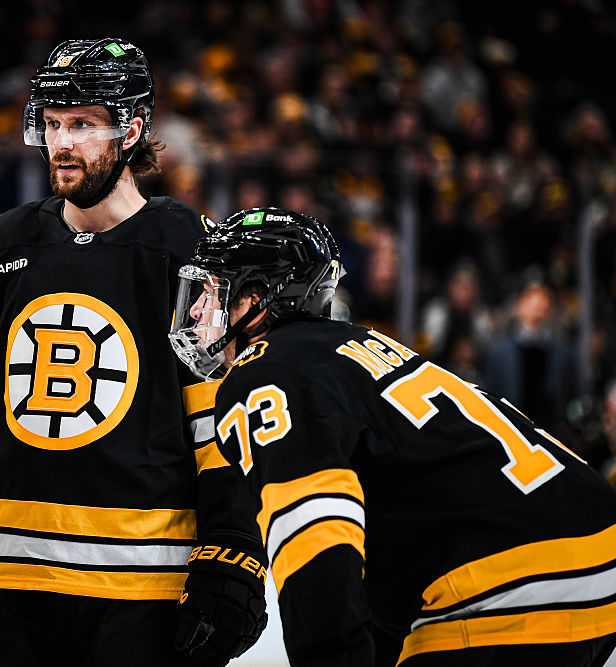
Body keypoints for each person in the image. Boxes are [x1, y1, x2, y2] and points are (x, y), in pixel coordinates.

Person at [0, 38, 267, 666]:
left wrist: (232, 546)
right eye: (54, 124)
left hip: (139, 594)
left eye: (84, 125)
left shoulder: (189, 250)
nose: (62, 143)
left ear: (132, 129)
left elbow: (215, 425)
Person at [168, 207, 616, 666]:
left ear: (259, 297)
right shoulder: (356, 344)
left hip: (513, 581)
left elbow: (315, 534)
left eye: (212, 290)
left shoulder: (263, 372)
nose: (198, 309)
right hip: (592, 544)